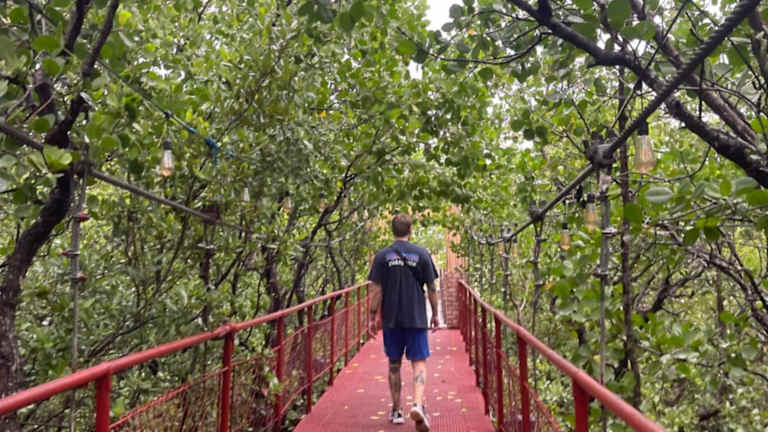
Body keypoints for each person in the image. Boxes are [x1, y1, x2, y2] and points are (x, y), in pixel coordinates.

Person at [368, 213, 439, 432]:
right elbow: (432, 288)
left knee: (394, 364)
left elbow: (376, 289)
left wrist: (372, 316)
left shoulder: (382, 256)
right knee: (419, 362)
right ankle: (417, 404)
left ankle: (397, 410)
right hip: (416, 316)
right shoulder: (422, 254)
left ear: (393, 231)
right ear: (410, 230)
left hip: (391, 318)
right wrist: (435, 314)